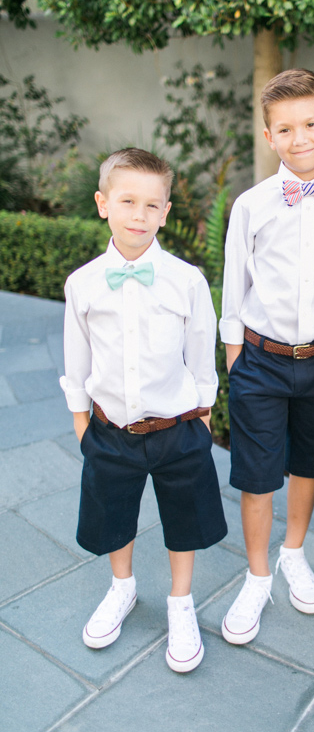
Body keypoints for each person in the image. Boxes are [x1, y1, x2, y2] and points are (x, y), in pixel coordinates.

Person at [219, 68, 314, 644]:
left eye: (310, 124)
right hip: (260, 359)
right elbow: (234, 286)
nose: (299, 138)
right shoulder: (251, 205)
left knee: (310, 463)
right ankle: (257, 576)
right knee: (257, 474)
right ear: (269, 136)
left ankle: (293, 552)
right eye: (284, 129)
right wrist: (235, 358)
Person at [59, 148, 227, 673]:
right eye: (127, 201)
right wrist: (82, 424)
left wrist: (203, 415)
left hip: (178, 427)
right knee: (113, 513)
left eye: (152, 205)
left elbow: (201, 355)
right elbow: (77, 360)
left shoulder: (187, 280)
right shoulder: (83, 283)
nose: (139, 214)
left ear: (165, 212)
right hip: (111, 430)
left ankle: (181, 601)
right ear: (103, 204)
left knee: (185, 517)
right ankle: (122, 587)